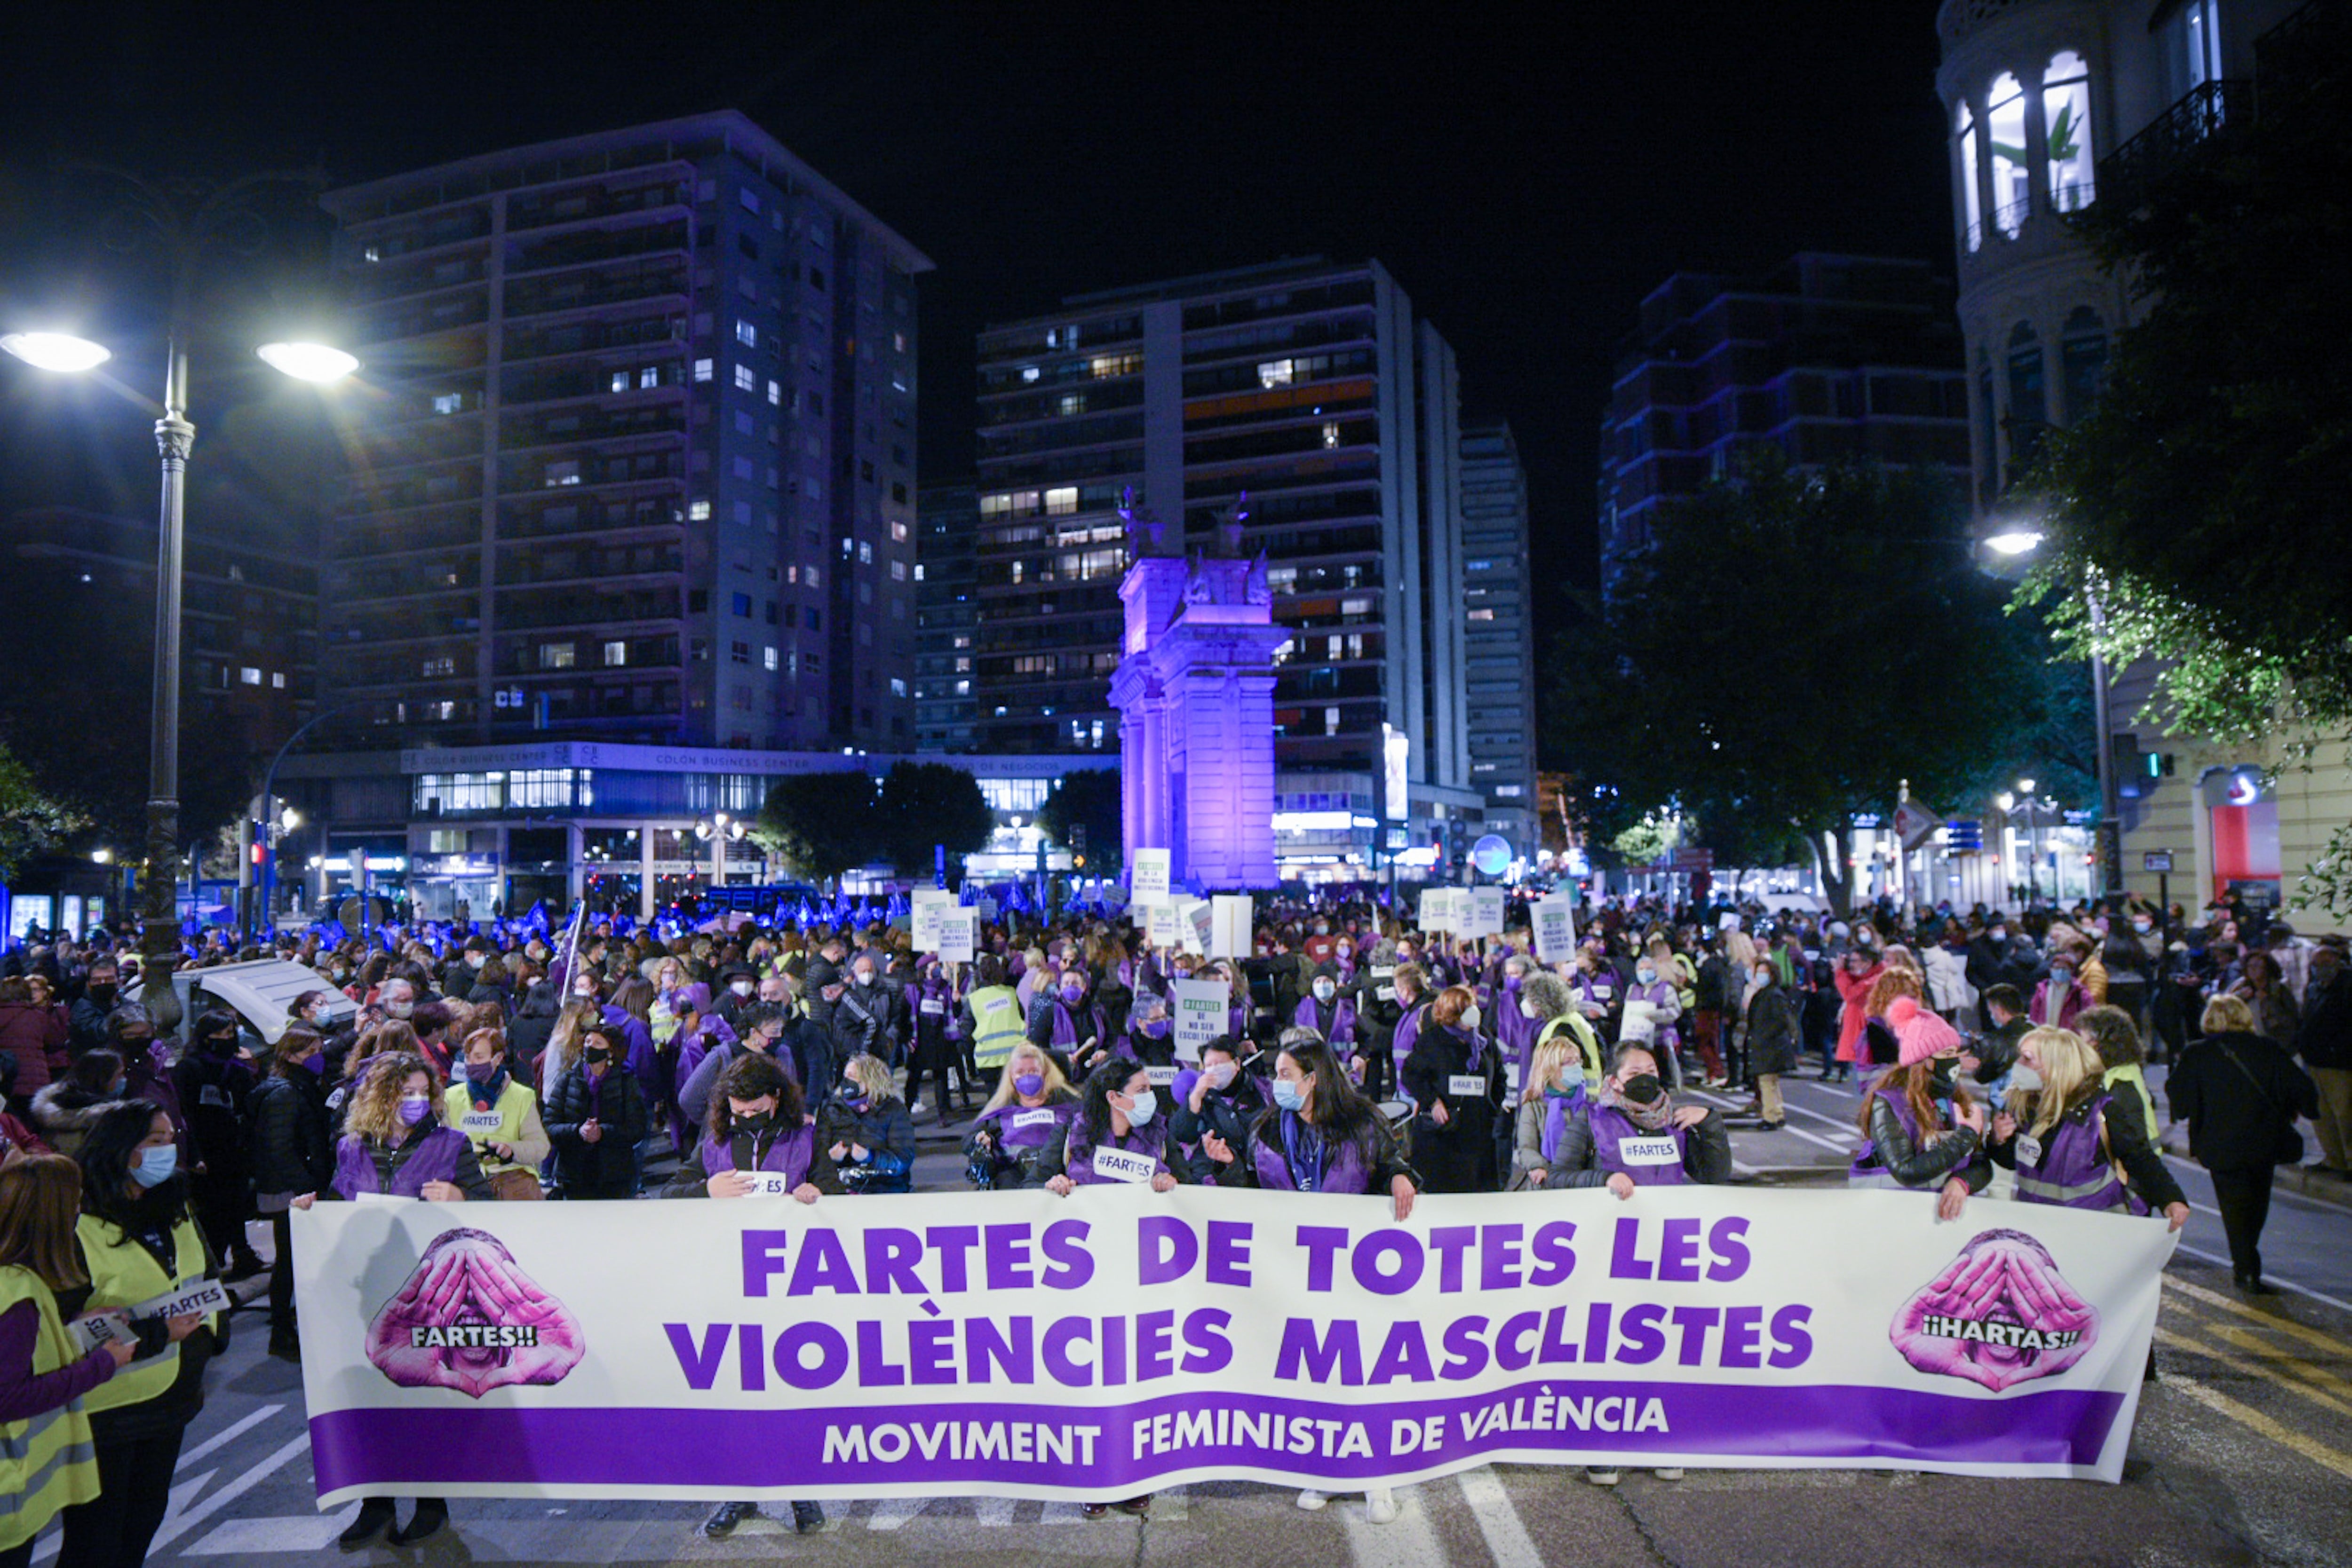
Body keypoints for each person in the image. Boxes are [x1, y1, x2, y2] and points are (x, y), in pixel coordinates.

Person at [1224, 1035, 1413, 1523]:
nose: (1276, 1083)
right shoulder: (1265, 1127)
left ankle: (1376, 1476)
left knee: (1362, 1369)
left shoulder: (1363, 1122)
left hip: (1356, 1271)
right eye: (1275, 1074)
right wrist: (1225, 1171)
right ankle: (1325, 1468)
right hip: (1293, 1270)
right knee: (1313, 1372)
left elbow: (1389, 1163)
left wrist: (1398, 1174)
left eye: (1286, 1074)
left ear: (1313, 1078)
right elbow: (1246, 1192)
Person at [661, 1052, 831, 1538]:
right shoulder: (714, 1140)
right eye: (738, 1110)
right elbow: (672, 1194)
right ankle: (739, 1491)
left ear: (776, 1098)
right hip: (728, 1283)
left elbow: (837, 1195)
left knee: (792, 1393)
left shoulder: (805, 1136)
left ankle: (802, 1491)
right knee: (738, 1394)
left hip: (791, 1286)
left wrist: (816, 1195)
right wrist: (706, 1190)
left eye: (755, 1109)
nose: (746, 1118)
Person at [54, 1102, 218, 1567]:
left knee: (143, 1520)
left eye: (171, 1139)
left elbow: (202, 1278)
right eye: (156, 1141)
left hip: (171, 1400)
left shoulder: (178, 1205)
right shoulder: (75, 1225)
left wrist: (208, 1339)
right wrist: (154, 1332)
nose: (169, 1150)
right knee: (95, 1539)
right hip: (105, 1410)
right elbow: (60, 1333)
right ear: (121, 1148)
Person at [1035, 1058, 1180, 1521]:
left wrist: (1170, 1183)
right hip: (1085, 1280)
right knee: (1089, 1380)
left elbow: (1187, 1183)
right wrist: (1052, 1185)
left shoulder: (1158, 1131)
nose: (1148, 1093)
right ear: (1114, 1097)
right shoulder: (1071, 1132)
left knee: (1135, 1377)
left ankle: (1136, 1476)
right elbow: (1033, 1182)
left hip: (1139, 1277)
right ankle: (1092, 1476)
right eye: (1139, 1087)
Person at [0, 1156, 124, 1568]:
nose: (78, 1212)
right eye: (73, 1203)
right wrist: (103, 1364)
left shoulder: (15, 1283)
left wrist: (75, 1332)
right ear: (50, 1216)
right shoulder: (15, 1296)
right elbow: (8, 1395)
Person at [2167, 994, 2319, 1293]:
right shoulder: (2268, 1049)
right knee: (2257, 1203)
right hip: (2264, 1141)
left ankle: (2246, 1267)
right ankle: (2248, 1261)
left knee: (2233, 1206)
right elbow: (2302, 1088)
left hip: (2219, 1143)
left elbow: (2180, 1099)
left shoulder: (2197, 1053)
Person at [1989, 1027, 2188, 1226]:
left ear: (2056, 1065)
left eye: (2027, 1058)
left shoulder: (2102, 1110)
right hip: (2040, 1227)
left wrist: (2171, 1198)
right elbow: (2014, 1162)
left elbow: (2139, 1157)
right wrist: (1998, 1140)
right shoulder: (2022, 1106)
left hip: (2094, 1229)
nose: (2018, 1065)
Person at [1847, 997, 1991, 1220]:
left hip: (1937, 1219)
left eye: (1955, 1053)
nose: (1954, 1062)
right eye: (1946, 1055)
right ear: (1923, 1061)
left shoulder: (1956, 1100)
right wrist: (1965, 1137)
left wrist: (1962, 1183)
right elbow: (1906, 1171)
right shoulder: (1888, 1102)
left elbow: (1982, 1165)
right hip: (1890, 1217)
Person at [246, 1029, 333, 1360]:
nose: (319, 1055)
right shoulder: (285, 1094)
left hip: (295, 1186)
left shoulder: (301, 1086)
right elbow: (280, 1148)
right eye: (313, 1050)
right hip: (289, 1190)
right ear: (293, 1055)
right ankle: (281, 1331)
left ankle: (288, 1325)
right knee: (289, 1261)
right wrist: (307, 1186)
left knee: (295, 1258)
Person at [168, 1009, 264, 1284]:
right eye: (221, 1034)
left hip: (234, 1149)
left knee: (236, 1204)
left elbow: (249, 1103)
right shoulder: (190, 1068)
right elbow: (184, 1113)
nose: (228, 1039)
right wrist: (193, 1152)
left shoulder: (237, 1068)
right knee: (212, 1209)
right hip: (207, 1150)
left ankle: (241, 1253)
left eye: (230, 1034)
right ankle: (214, 1264)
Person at [1400, 986, 1504, 1194]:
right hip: (1443, 1136)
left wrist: (1493, 1108)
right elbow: (1411, 1076)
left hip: (1478, 1131)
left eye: (1473, 1006)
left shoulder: (1484, 1039)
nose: (1474, 1011)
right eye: (1466, 1008)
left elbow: (1499, 1077)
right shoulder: (1432, 1041)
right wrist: (1433, 1101)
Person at [442, 1029, 551, 1202]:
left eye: (479, 1058)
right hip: (465, 1181)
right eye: (468, 1058)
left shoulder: (521, 1096)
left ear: (498, 1058)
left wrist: (510, 1150)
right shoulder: (450, 1097)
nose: (471, 1063)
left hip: (510, 1181)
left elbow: (540, 1147)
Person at [544, 1023, 650, 1201]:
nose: (590, 1046)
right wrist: (578, 1131)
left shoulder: (626, 1082)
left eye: (598, 1043)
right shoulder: (567, 1080)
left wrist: (603, 1132)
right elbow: (550, 1126)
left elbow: (637, 1128)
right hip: (575, 1174)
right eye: (587, 1041)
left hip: (614, 1175)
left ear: (610, 1052)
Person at [962, 1044, 1079, 1190]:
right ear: (1011, 1076)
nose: (1027, 1077)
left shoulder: (1068, 1104)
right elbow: (968, 1142)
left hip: (1059, 1172)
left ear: (1045, 1073)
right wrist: (981, 1140)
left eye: (1034, 1071)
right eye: (1021, 1073)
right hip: (1013, 1175)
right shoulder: (1002, 1109)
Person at [1171, 1036, 1270, 1185]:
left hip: (1255, 1174)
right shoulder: (1200, 1094)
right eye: (1209, 1066)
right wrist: (1196, 1097)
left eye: (1219, 1064)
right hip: (1212, 1175)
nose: (1214, 1070)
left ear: (1237, 1064)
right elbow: (1181, 1134)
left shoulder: (1262, 1091)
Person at [818, 1055, 915, 1194]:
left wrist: (871, 1157)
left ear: (870, 1080)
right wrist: (831, 1159)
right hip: (842, 1191)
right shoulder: (832, 1109)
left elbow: (903, 1160)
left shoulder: (894, 1109)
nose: (847, 1082)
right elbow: (817, 1159)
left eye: (852, 1077)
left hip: (884, 1189)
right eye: (846, 1076)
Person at [1511, 1033, 1592, 1188]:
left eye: (1577, 1061)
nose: (1576, 1066)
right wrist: (1538, 1167)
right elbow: (1527, 1147)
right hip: (1547, 1181)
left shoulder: (1590, 1103)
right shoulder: (1534, 1107)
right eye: (1568, 1062)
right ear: (1550, 1069)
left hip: (1583, 1180)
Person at [2300, 943, 2352, 1175]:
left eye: (2327, 963)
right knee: (2322, 1114)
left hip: (2339, 1063)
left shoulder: (2347, 986)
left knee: (2345, 1113)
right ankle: (2333, 1159)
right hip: (2315, 1061)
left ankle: (2349, 1161)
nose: (2321, 968)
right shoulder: (2315, 988)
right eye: (2317, 964)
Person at [28, 1054, 120, 1164]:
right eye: (119, 1075)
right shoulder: (107, 1118)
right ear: (104, 1078)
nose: (123, 1079)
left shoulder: (50, 1109)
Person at [1742, 954, 1799, 1131]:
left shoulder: (1773, 995)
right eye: (1758, 972)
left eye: (1763, 972)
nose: (1759, 976)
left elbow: (1781, 1021)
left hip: (1771, 1046)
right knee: (1771, 1082)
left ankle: (1771, 1117)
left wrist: (1764, 1036)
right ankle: (1777, 1112)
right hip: (1769, 1044)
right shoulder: (1766, 993)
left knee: (1767, 1082)